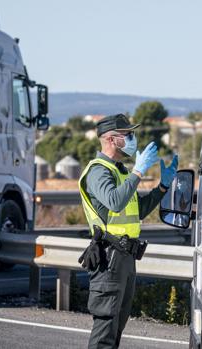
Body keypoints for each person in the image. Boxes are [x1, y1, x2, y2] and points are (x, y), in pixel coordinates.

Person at [77, 113, 178, 349]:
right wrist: (138, 172)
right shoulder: (99, 171)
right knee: (105, 329)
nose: (133, 139)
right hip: (109, 258)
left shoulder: (120, 171)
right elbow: (114, 201)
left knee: (116, 327)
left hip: (125, 258)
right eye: (128, 135)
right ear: (112, 139)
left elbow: (137, 209)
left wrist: (162, 187)